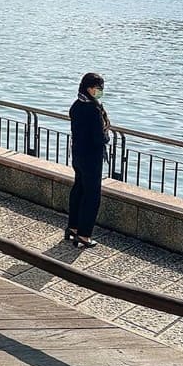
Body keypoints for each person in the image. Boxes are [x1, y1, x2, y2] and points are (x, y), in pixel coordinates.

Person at [66, 72, 111, 249]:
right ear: (89, 88)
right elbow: (99, 138)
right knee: (92, 195)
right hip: (91, 157)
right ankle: (84, 235)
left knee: (78, 189)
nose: (100, 92)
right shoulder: (93, 109)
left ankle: (73, 227)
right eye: (98, 89)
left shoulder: (77, 105)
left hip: (77, 154)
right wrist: (106, 135)